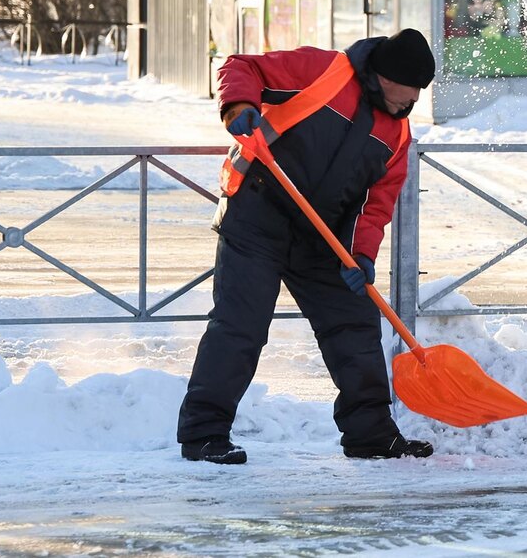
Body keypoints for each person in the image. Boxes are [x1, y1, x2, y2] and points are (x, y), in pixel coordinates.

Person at [177, 29, 437, 464]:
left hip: (324, 236)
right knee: (240, 326)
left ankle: (369, 433)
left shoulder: (397, 134)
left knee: (354, 326)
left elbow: (376, 205)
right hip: (259, 212)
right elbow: (241, 67)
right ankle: (203, 435)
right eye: (408, 91)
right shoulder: (324, 72)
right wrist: (239, 105)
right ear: (385, 75)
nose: (411, 101)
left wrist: (361, 255)